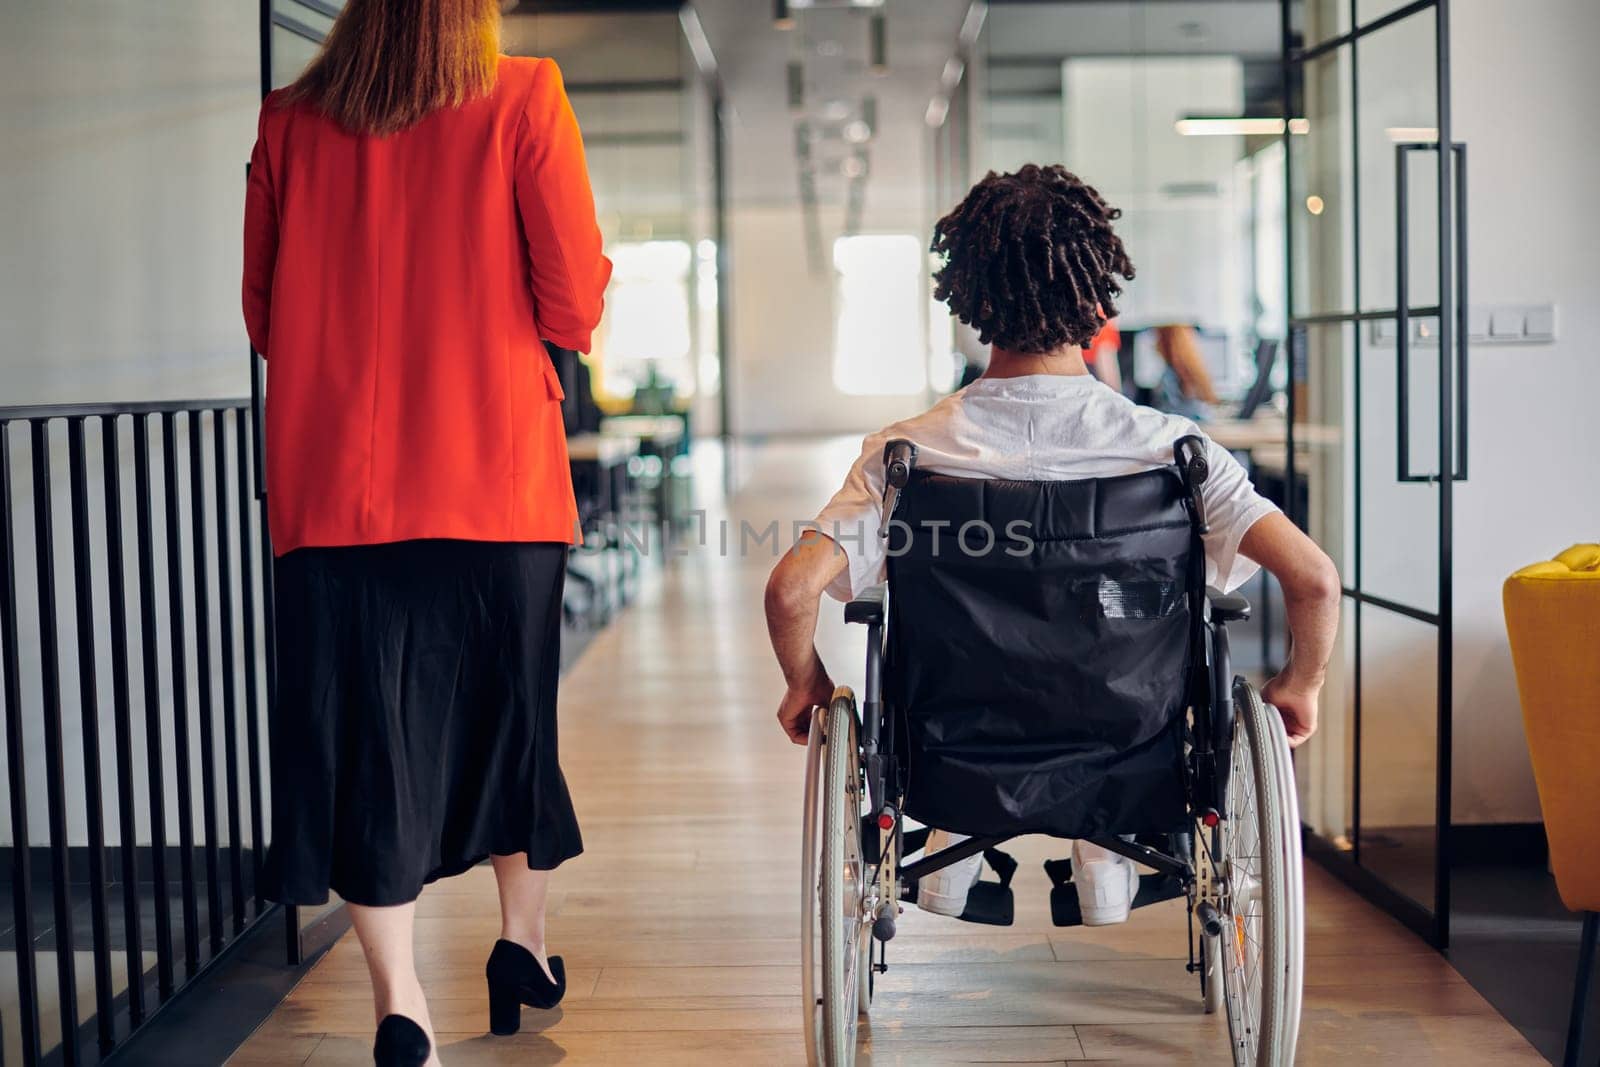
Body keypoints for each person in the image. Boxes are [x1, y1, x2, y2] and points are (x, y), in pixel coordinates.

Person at [763, 164, 1339, 926]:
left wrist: (805, 683)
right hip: (1134, 751)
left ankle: (961, 829)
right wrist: (1301, 683)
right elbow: (1316, 581)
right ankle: (1105, 845)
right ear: (1098, 298)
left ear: (970, 301)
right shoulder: (1175, 452)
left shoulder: (904, 456)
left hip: (951, 756)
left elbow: (791, 590)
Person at [242, 2, 611, 1062]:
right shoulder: (522, 94)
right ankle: (519, 941)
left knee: (367, 740)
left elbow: (264, 315)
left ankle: (401, 1000)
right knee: (509, 718)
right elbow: (573, 298)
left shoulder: (288, 120)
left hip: (334, 493)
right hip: (496, 476)